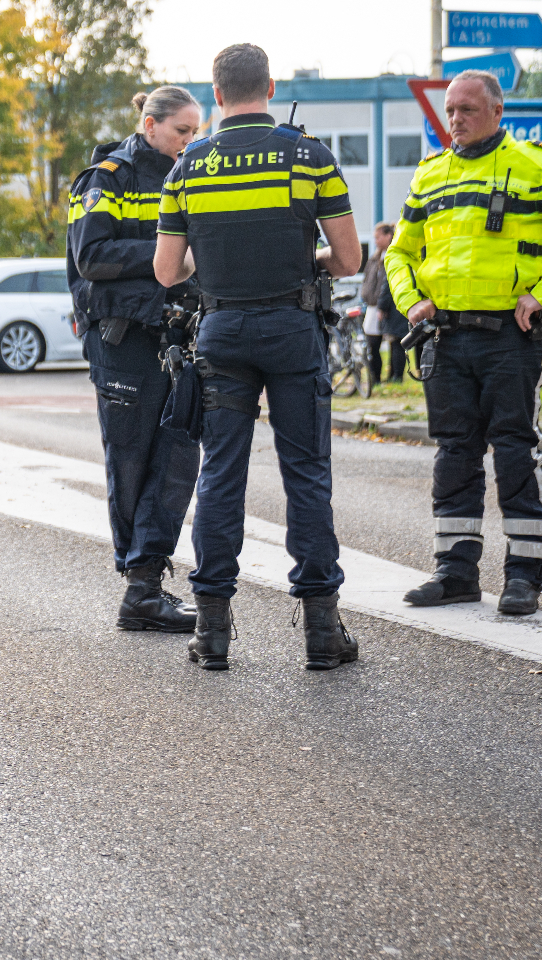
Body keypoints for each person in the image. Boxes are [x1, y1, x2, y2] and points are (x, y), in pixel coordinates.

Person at [153, 43, 364, 671]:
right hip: (292, 332)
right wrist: (310, 262)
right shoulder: (309, 155)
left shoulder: (188, 165)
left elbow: (168, 271)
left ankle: (212, 631)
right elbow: (350, 260)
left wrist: (212, 266)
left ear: (216, 95)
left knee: (220, 476)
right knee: (307, 475)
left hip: (222, 333)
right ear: (269, 87)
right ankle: (321, 632)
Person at [384, 70, 542, 616]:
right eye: (450, 110)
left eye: (467, 109)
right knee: (454, 453)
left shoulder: (537, 166)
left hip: (509, 338)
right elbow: (398, 253)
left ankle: (524, 577)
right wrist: (411, 300)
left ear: (496, 111)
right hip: (444, 336)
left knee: (514, 450)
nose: (456, 119)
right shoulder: (431, 175)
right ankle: (455, 571)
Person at [65, 86, 204, 632]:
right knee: (131, 460)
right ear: (150, 125)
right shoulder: (106, 177)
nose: (190, 142)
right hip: (123, 340)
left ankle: (146, 582)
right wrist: (169, 256)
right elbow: (91, 256)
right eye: (182, 131)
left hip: (178, 336)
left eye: (197, 131)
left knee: (177, 457)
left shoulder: (191, 176)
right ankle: (140, 587)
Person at [360, 223, 409, 383]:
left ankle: (395, 377)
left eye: (378, 237)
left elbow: (388, 284)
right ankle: (376, 377)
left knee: (395, 341)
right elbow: (368, 279)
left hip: (391, 307)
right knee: (373, 342)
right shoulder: (375, 258)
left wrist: (383, 305)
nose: (375, 241)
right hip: (374, 306)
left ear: (389, 236)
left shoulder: (394, 256)